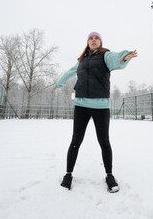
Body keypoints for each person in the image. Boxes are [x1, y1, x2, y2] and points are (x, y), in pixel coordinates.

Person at [53, 31, 137, 193]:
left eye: (96, 38)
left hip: (101, 107)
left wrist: (125, 56)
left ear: (100, 42)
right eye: (91, 38)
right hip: (81, 105)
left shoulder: (105, 56)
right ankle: (68, 174)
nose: (93, 40)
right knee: (76, 140)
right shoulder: (81, 60)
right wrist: (59, 83)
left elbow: (116, 58)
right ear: (87, 42)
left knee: (104, 141)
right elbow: (70, 72)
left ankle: (109, 175)